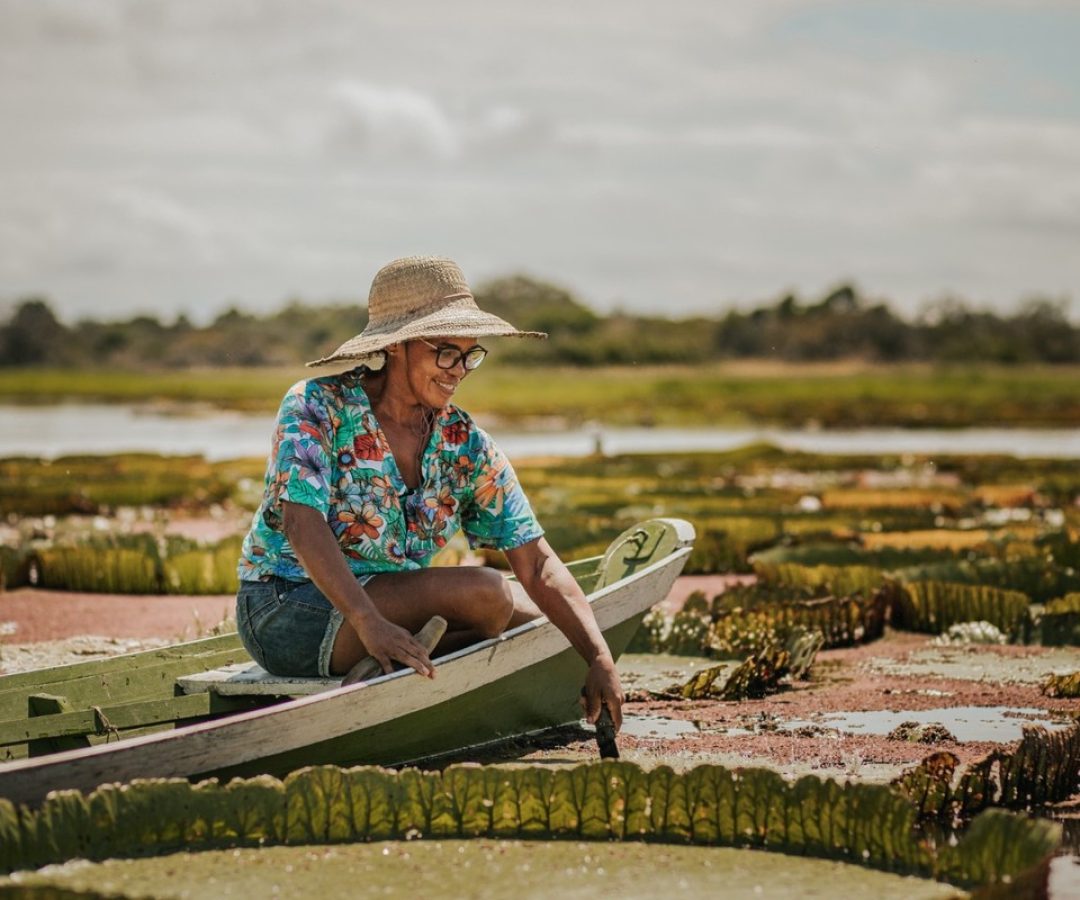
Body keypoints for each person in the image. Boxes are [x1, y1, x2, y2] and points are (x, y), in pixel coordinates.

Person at [236, 256, 624, 729]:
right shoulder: (317, 405)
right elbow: (301, 523)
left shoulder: (463, 442)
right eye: (445, 352)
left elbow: (537, 562)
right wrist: (367, 622)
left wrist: (599, 657)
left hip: (383, 607)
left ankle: (412, 660)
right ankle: (408, 655)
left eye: (469, 355)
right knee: (489, 593)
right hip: (287, 610)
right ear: (398, 346)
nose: (459, 370)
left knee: (529, 611)